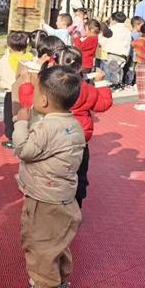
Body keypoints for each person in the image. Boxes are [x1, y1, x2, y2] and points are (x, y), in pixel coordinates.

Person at [12, 65, 85, 288]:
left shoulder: (46, 128)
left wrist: (21, 124)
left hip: (43, 198)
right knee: (58, 242)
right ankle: (60, 281)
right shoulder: (74, 124)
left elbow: (25, 150)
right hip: (64, 196)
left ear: (43, 100)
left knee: (39, 243)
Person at [55, 47, 113, 208]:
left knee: (56, 172)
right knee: (79, 174)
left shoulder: (51, 86)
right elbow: (103, 104)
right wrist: (100, 83)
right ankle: (76, 206)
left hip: (55, 137)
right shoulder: (86, 89)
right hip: (79, 139)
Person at [0, 31, 34, 149]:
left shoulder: (7, 59)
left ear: (9, 46)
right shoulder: (30, 57)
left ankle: (12, 138)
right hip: (28, 90)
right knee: (28, 113)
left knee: (10, 115)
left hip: (11, 92)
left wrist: (7, 52)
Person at [99, 12, 131, 88]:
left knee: (109, 72)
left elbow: (102, 41)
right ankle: (118, 84)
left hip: (111, 53)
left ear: (113, 20)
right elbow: (128, 43)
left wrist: (100, 36)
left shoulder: (111, 29)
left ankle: (112, 86)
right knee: (119, 70)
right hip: (123, 55)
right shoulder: (128, 31)